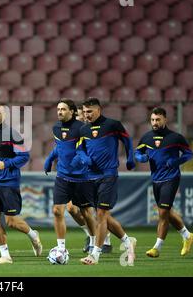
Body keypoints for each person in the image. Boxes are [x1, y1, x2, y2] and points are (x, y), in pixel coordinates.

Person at [0, 102, 42, 264]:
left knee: (12, 222)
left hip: (9, 182)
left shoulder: (13, 134)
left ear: (5, 115)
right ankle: (5, 255)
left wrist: (7, 164)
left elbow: (24, 156)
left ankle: (33, 235)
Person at [76, 98, 137, 266]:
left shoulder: (112, 125)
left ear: (99, 110)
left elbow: (127, 140)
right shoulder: (83, 129)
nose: (87, 115)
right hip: (90, 177)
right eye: (85, 112)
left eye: (90, 111)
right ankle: (127, 241)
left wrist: (130, 158)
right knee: (103, 216)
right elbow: (79, 148)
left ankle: (94, 254)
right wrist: (84, 158)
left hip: (108, 174)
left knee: (101, 215)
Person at [135, 107, 193, 258]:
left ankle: (157, 247)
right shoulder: (147, 137)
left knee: (162, 212)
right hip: (156, 179)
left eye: (158, 120)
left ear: (165, 120)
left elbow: (189, 154)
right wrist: (140, 158)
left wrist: (176, 161)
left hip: (171, 177)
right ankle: (187, 236)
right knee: (166, 212)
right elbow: (138, 152)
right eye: (152, 120)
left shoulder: (175, 137)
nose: (155, 123)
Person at [44, 99, 97, 256]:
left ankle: (94, 242)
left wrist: (79, 161)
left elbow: (88, 150)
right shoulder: (56, 128)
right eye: (58, 109)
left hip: (82, 177)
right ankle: (61, 248)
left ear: (72, 111)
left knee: (87, 212)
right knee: (57, 211)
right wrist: (49, 159)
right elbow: (59, 147)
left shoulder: (82, 128)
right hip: (63, 176)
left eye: (63, 109)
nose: (59, 111)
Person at [71, 104, 112, 253]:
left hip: (90, 174)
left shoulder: (91, 132)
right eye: (77, 116)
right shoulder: (74, 131)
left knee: (98, 209)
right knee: (72, 209)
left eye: (80, 116)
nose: (79, 118)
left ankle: (106, 239)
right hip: (75, 174)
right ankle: (90, 235)